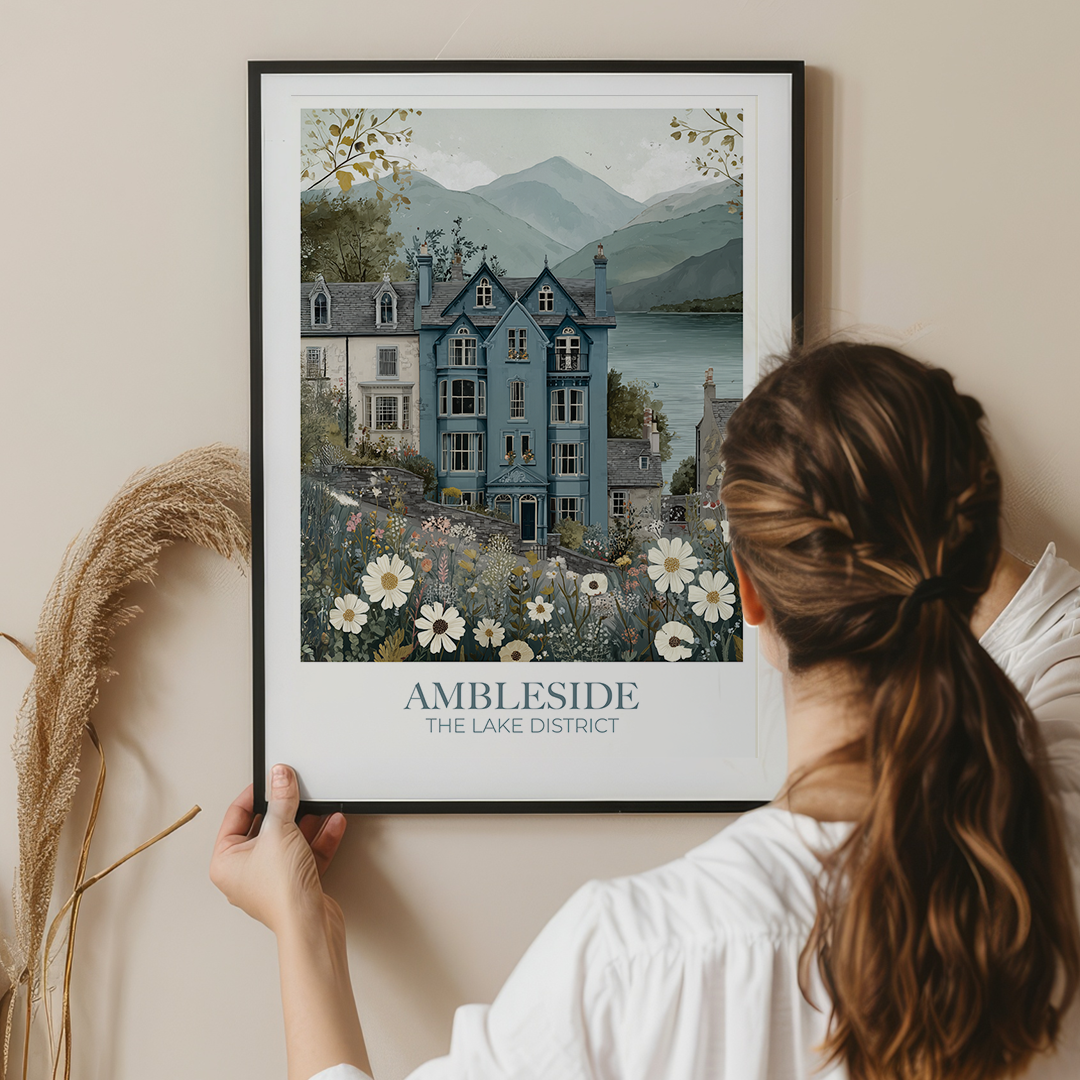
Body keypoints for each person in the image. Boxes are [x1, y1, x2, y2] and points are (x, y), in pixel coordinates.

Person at [211, 342, 1080, 1080]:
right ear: (961, 552)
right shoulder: (1052, 826)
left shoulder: (644, 961)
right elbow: (1042, 609)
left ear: (747, 593)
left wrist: (302, 924)